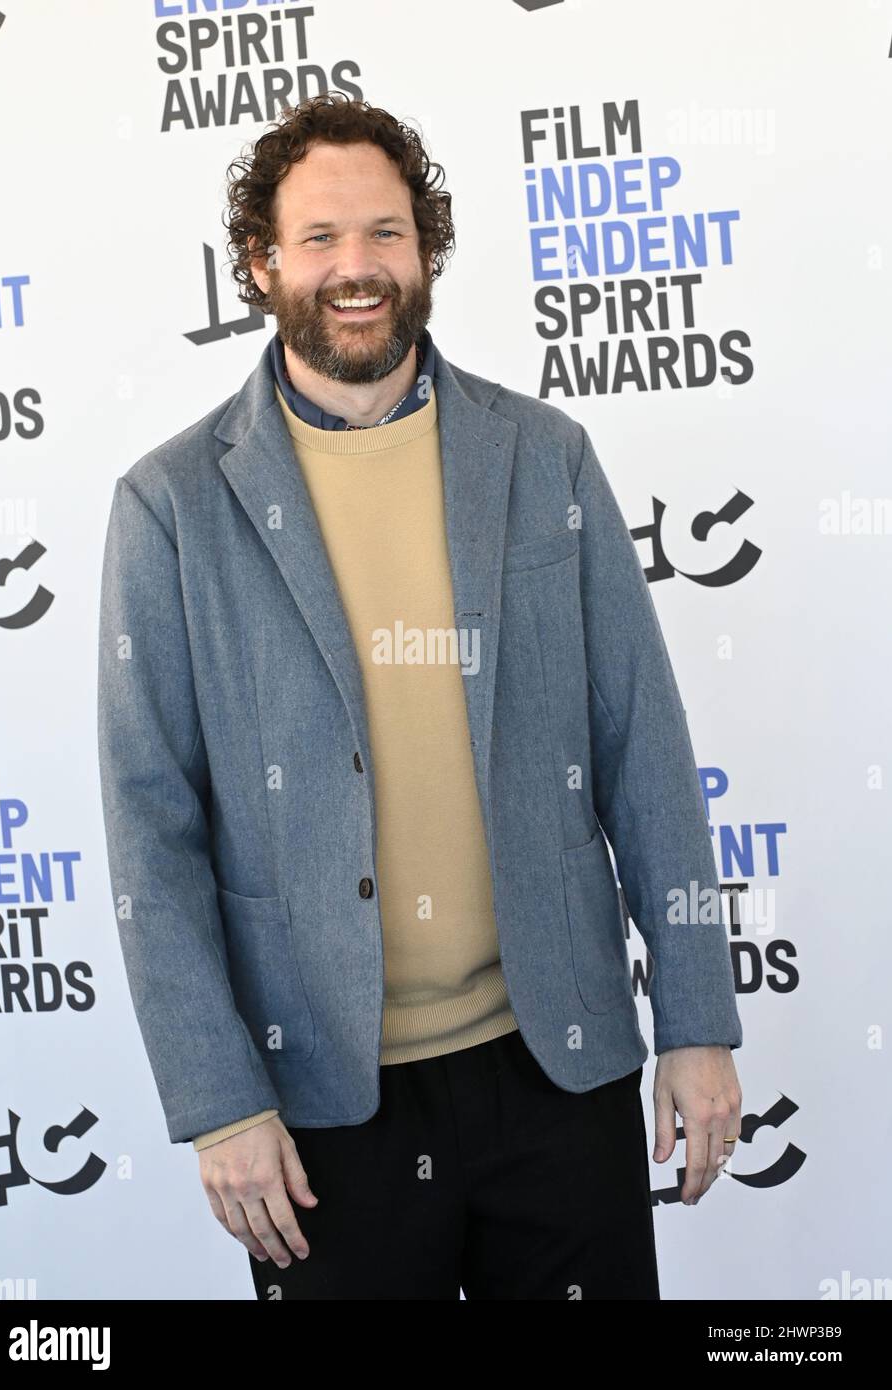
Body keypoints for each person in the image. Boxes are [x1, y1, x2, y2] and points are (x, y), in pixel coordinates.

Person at [96, 93, 743, 1301]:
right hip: (323, 1107)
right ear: (262, 263)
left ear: (427, 250)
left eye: (387, 234)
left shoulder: (542, 455)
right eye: (323, 238)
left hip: (562, 1068)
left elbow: (644, 745)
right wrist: (218, 1098)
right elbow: (150, 832)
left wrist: (699, 1016)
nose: (358, 268)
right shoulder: (171, 507)